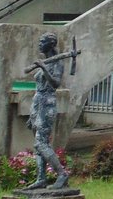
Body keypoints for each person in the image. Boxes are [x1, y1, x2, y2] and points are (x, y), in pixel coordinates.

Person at [22, 33, 74, 190]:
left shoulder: (56, 63)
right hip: (38, 103)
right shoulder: (45, 61)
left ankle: (62, 174)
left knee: (41, 142)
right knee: (37, 144)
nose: (39, 44)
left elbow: (55, 83)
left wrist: (44, 68)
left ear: (50, 45)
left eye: (42, 42)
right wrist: (33, 114)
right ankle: (41, 178)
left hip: (47, 103)